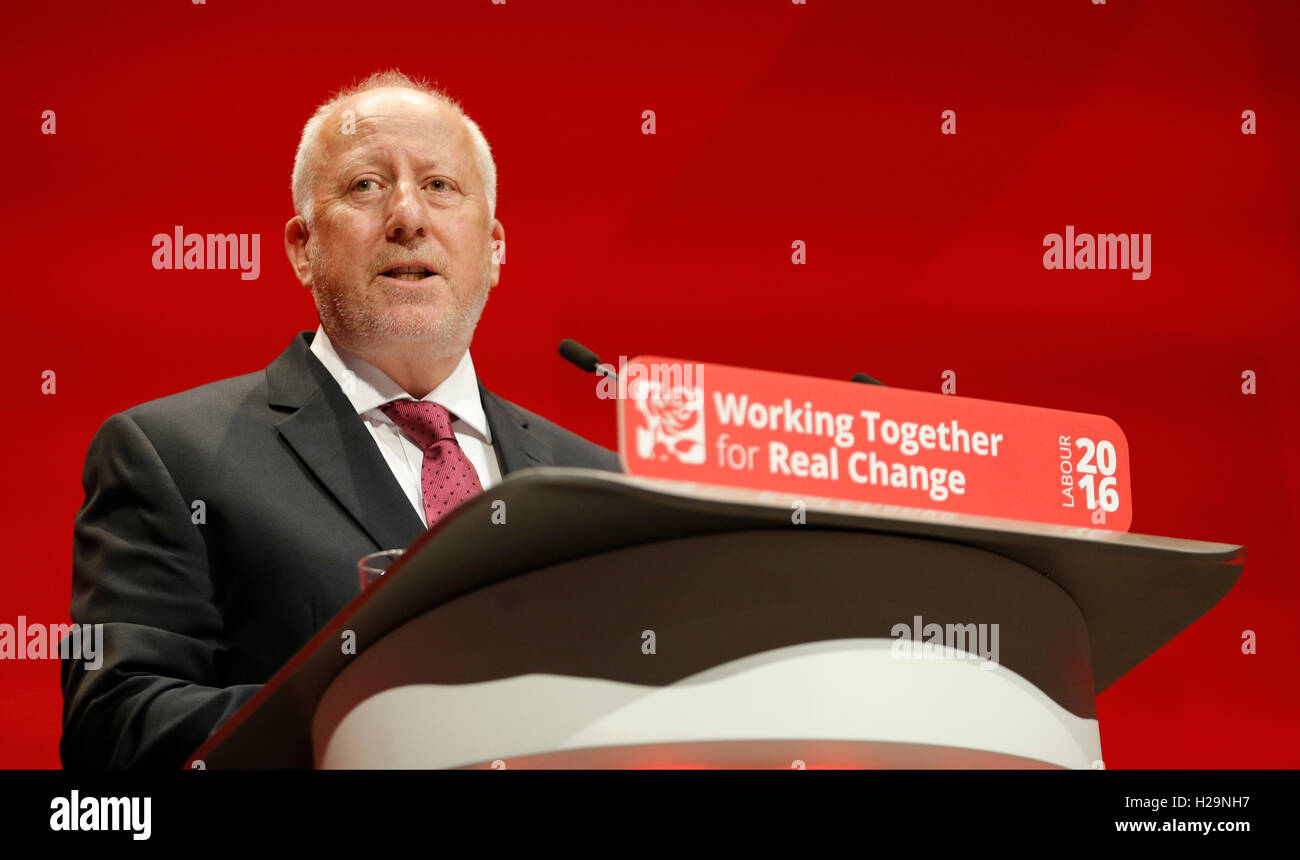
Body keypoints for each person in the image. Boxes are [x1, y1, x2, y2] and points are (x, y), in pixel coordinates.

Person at [61, 70, 619, 770]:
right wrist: (369, 719)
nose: (408, 216)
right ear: (302, 247)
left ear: (497, 245)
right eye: (365, 186)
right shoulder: (173, 455)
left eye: (442, 186)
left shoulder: (599, 482)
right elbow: (113, 727)